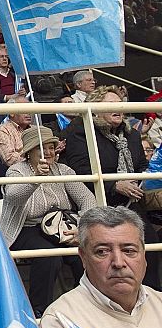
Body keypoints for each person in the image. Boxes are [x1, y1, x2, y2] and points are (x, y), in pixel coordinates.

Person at [63, 85, 161, 287]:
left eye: (120, 104)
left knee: (148, 247)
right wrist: (115, 185)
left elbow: (141, 165)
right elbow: (79, 171)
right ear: (95, 107)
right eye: (111, 104)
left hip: (130, 202)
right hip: (95, 203)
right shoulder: (79, 131)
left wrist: (140, 179)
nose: (119, 108)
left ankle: (148, 295)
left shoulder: (131, 134)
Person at [40, 206, 162, 328]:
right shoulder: (62, 321)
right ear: (83, 258)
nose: (118, 262)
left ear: (144, 256)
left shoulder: (159, 304)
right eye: (102, 252)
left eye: (129, 250)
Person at [1, 126, 95, 315]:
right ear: (29, 152)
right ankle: (39, 313)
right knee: (49, 256)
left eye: (51, 147)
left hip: (59, 226)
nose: (49, 152)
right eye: (42, 148)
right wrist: (36, 179)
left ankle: (85, 309)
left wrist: (82, 228)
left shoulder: (63, 170)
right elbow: (13, 196)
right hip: (25, 228)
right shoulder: (16, 171)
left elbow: (87, 199)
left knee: (83, 253)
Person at [0, 97, 32, 166]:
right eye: (24, 109)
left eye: (30, 109)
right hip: (18, 173)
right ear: (12, 113)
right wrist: (34, 161)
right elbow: (9, 159)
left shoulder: (35, 129)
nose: (28, 113)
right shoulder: (3, 131)